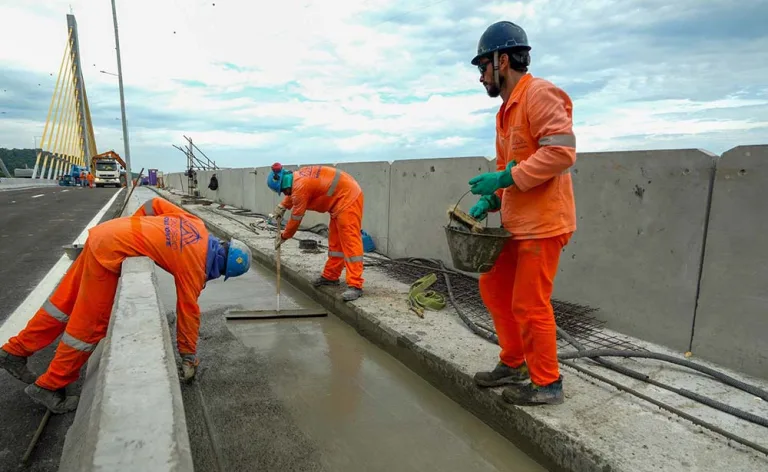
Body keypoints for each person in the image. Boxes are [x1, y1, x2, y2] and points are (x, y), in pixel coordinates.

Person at [0, 197, 252, 413]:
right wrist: (188, 357)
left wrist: (135, 230)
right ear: (221, 268)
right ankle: (49, 386)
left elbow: (153, 204)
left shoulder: (195, 224)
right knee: (89, 329)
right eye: (219, 273)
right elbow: (188, 313)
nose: (215, 276)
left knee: (62, 305)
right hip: (109, 252)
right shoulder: (195, 268)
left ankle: (14, 351)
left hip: (106, 234)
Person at [466, 21, 577, 406]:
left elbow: (561, 153)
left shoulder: (539, 95)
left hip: (543, 224)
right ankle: (513, 362)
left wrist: (505, 176)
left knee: (531, 304)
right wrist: (493, 197)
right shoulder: (506, 112)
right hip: (517, 223)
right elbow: (512, 167)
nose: (481, 77)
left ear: (502, 60)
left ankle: (547, 383)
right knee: (493, 287)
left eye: (483, 67)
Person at [267, 163, 365, 301]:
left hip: (348, 198)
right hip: (339, 200)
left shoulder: (299, 187)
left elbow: (295, 218)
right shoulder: (298, 178)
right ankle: (331, 276)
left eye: (284, 191)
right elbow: (294, 194)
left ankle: (355, 285)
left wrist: (284, 236)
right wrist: (282, 206)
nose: (285, 194)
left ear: (285, 183)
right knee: (336, 244)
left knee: (350, 241)